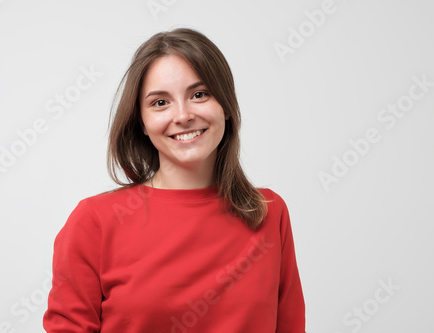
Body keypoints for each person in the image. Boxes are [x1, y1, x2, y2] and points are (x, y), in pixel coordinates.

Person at [43, 27, 305, 332]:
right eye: (160, 103)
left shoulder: (268, 211)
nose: (182, 116)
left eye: (199, 94)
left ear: (227, 106)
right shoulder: (94, 221)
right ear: (141, 122)